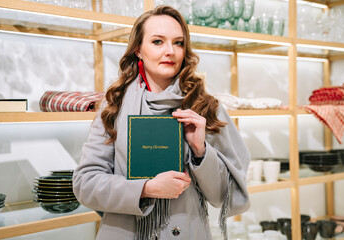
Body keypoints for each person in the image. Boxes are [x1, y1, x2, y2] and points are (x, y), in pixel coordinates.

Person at [73, 5, 250, 240]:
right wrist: (146, 189)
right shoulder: (113, 106)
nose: (170, 51)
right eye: (158, 41)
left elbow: (226, 196)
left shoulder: (206, 107)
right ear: (138, 49)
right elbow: (86, 184)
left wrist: (201, 151)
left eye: (178, 43)